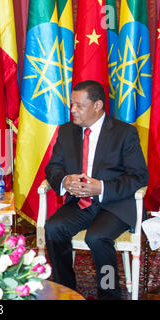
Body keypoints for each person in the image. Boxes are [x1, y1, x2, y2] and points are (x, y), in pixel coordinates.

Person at [44, 80, 149, 300]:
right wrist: (65, 181)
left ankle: (109, 292)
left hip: (115, 205)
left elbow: (138, 176)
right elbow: (53, 167)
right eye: (71, 104)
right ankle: (65, 290)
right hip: (80, 204)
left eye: (79, 105)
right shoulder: (66, 131)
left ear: (98, 105)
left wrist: (101, 187)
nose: (73, 110)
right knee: (53, 228)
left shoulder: (124, 133)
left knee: (97, 237)